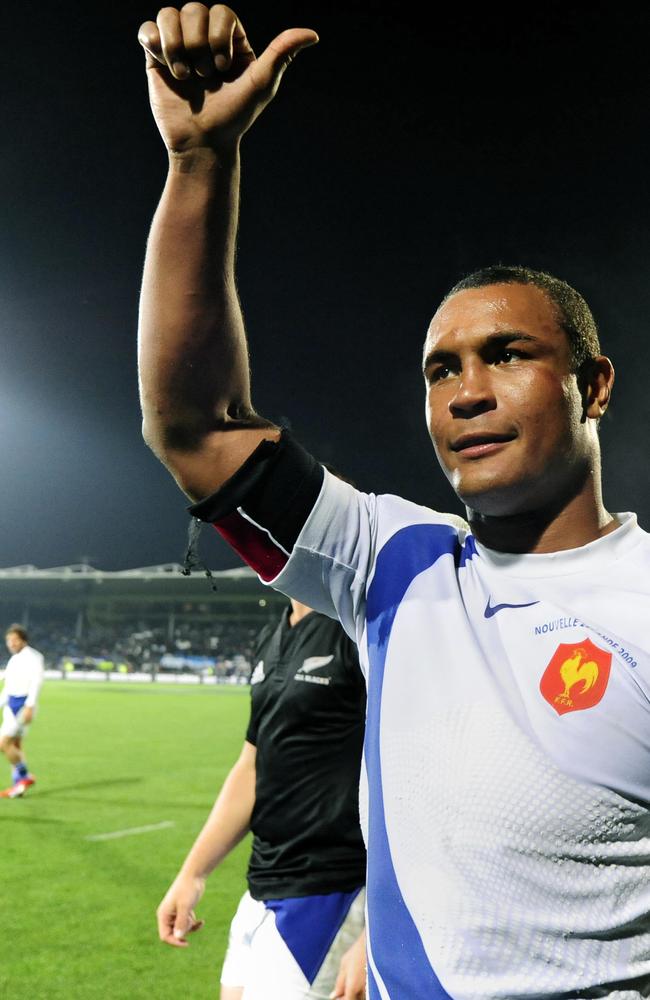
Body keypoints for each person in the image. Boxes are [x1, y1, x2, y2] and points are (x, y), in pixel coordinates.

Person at [136, 5, 650, 997]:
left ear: (592, 385)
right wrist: (200, 160)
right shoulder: (392, 560)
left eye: (506, 355)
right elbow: (192, 423)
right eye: (437, 369)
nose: (463, 389)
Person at [157, 596, 367, 1000]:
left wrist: (378, 931)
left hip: (330, 890)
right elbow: (251, 764)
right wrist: (193, 874)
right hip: (262, 885)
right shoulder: (274, 633)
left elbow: (413, 775)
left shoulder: (357, 627)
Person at [0, 624, 44, 798]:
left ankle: (24, 776)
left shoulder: (33, 657)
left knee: (4, 743)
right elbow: (8, 688)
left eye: (14, 640)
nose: (11, 644)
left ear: (23, 640)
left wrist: (30, 705)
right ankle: (19, 787)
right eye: (8, 641)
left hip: (22, 705)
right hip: (12, 705)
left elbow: (36, 681)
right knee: (15, 746)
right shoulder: (14, 659)